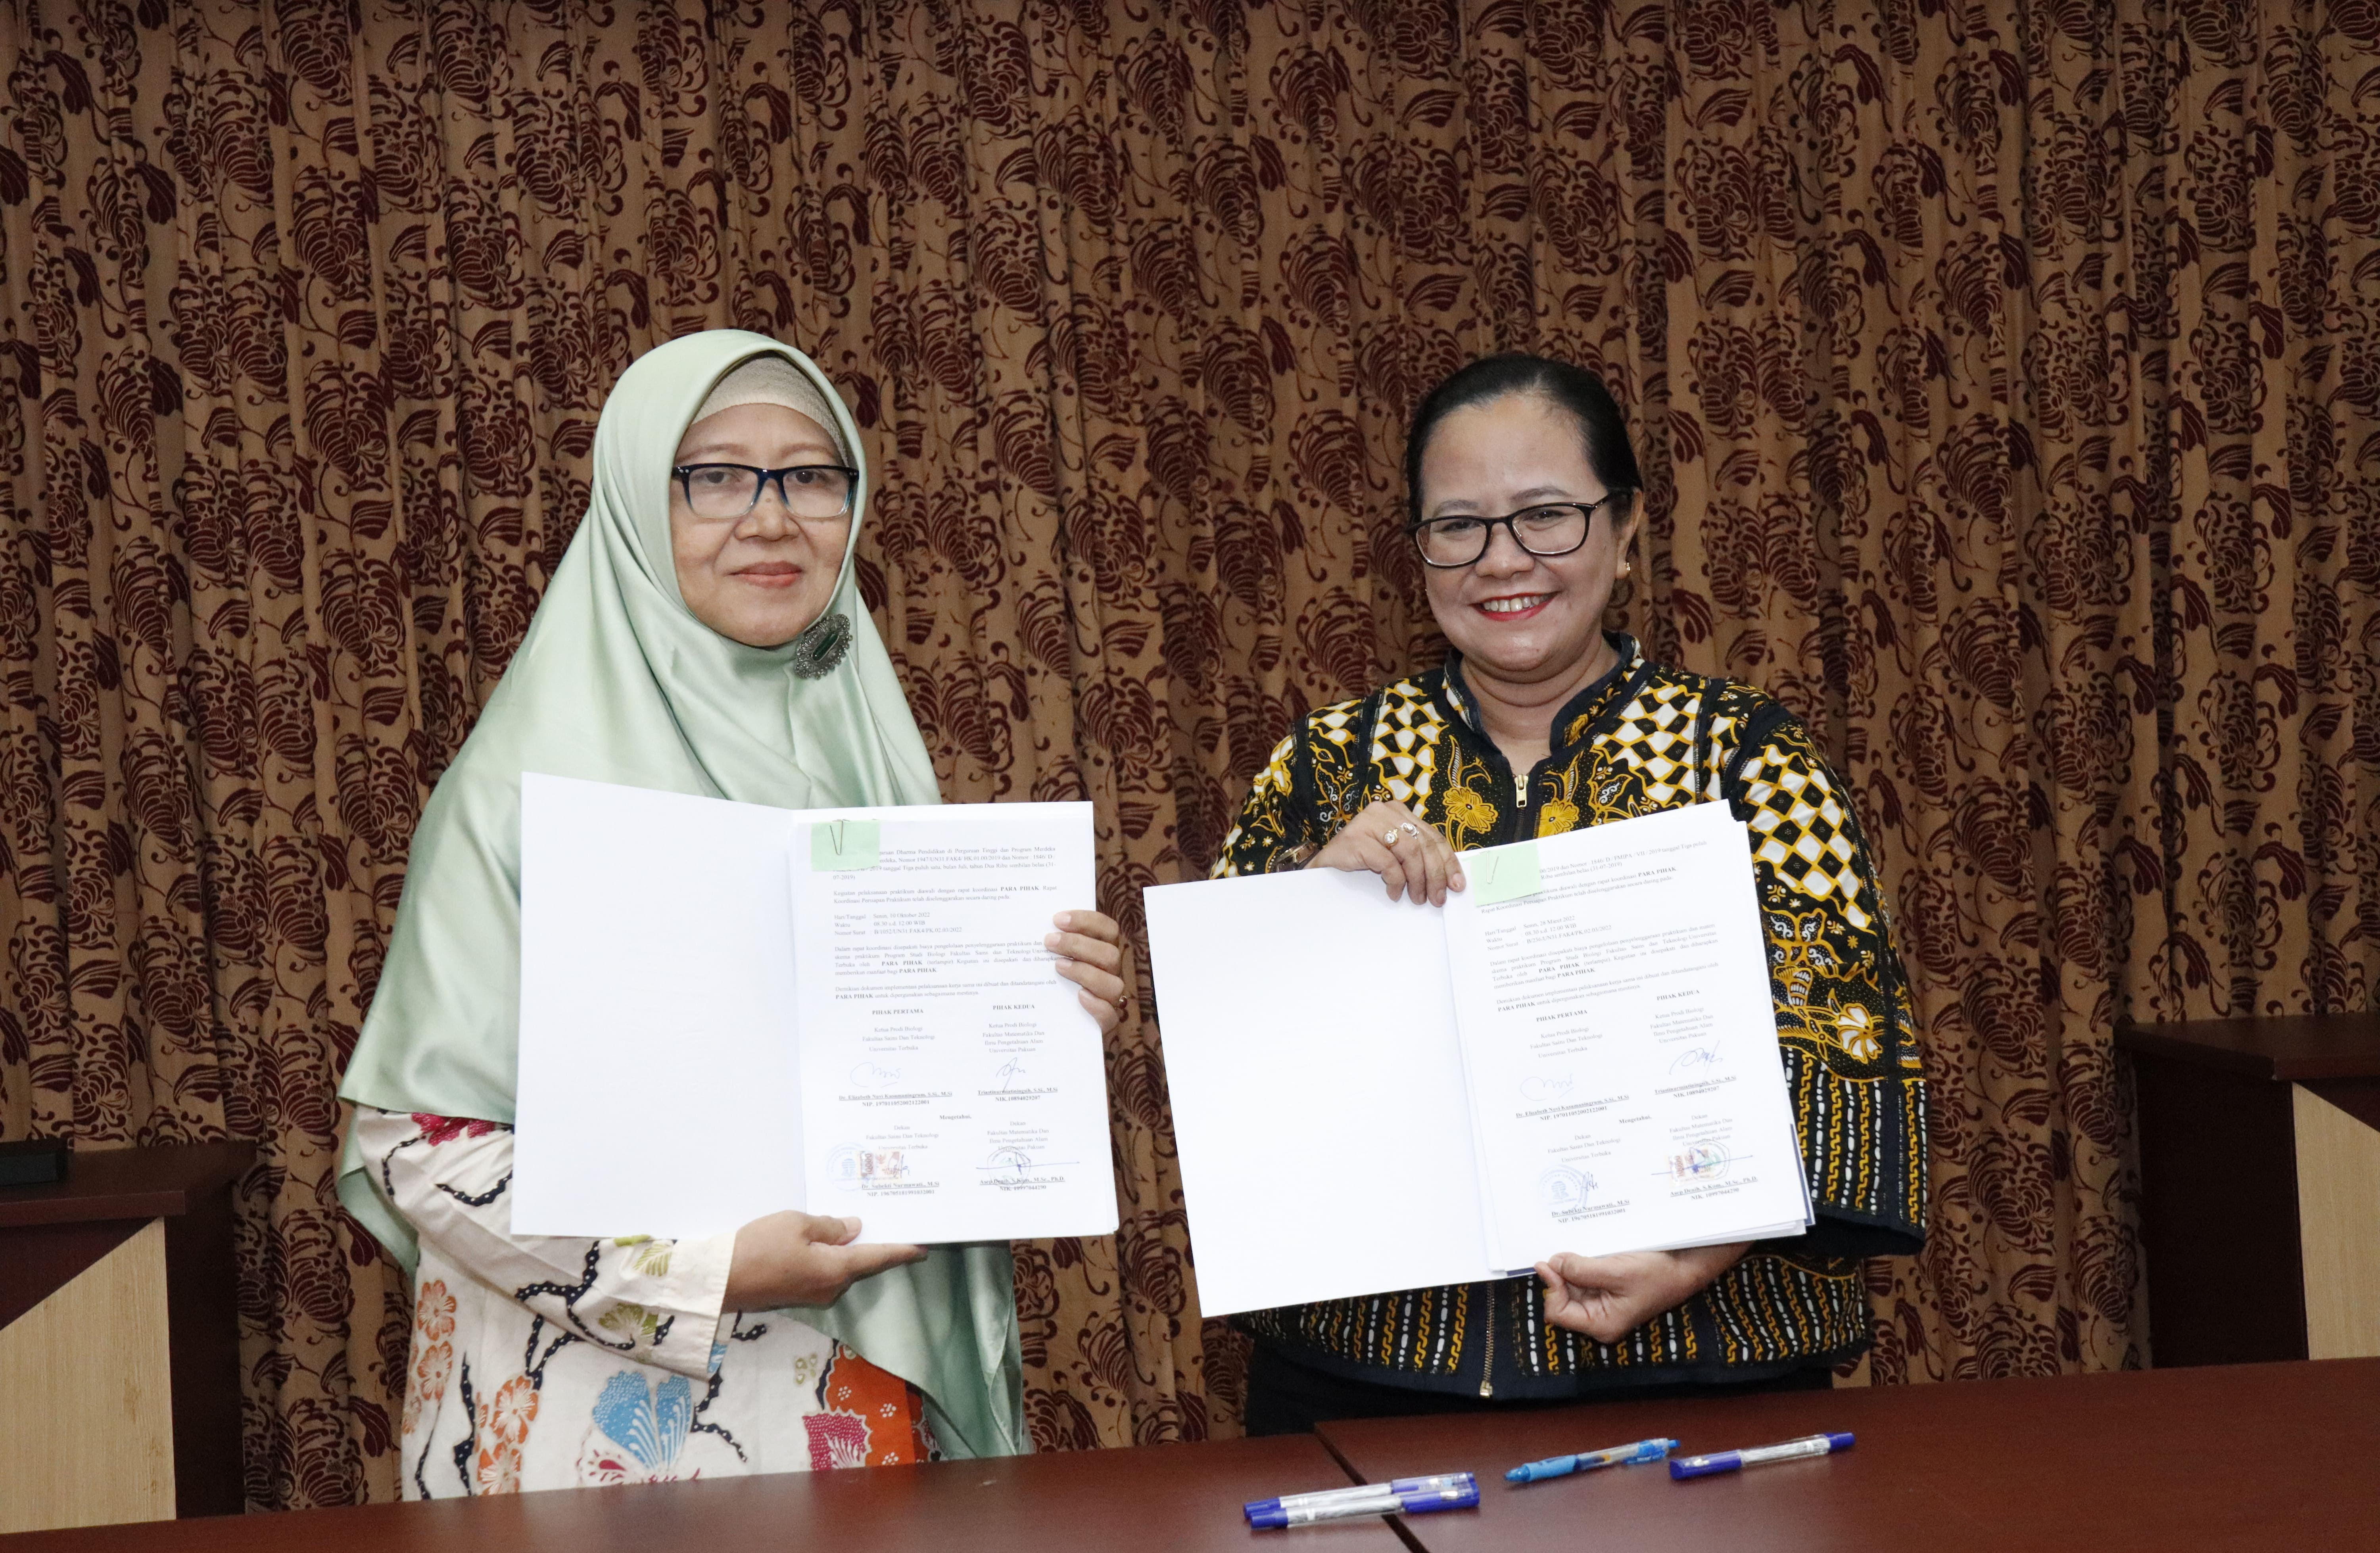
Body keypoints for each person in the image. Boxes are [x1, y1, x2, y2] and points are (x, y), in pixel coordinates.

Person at [334, 331, 1129, 1494]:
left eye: (812, 475)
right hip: (594, 1445)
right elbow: (415, 1145)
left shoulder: (872, 762)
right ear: (631, 503)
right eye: (714, 476)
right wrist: (697, 1270)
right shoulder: (518, 793)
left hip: (852, 1417)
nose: (771, 518)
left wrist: (1036, 1019)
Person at [1211, 353, 1927, 1434]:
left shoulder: (1745, 759)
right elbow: (1228, 1065)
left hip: (1703, 1375)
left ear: (1628, 528)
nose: (1504, 561)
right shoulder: (1322, 768)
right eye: (1458, 525)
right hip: (1361, 1390)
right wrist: (1311, 909)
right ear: (1418, 551)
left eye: (1546, 514)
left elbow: (1846, 1052)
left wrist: (1693, 1257)